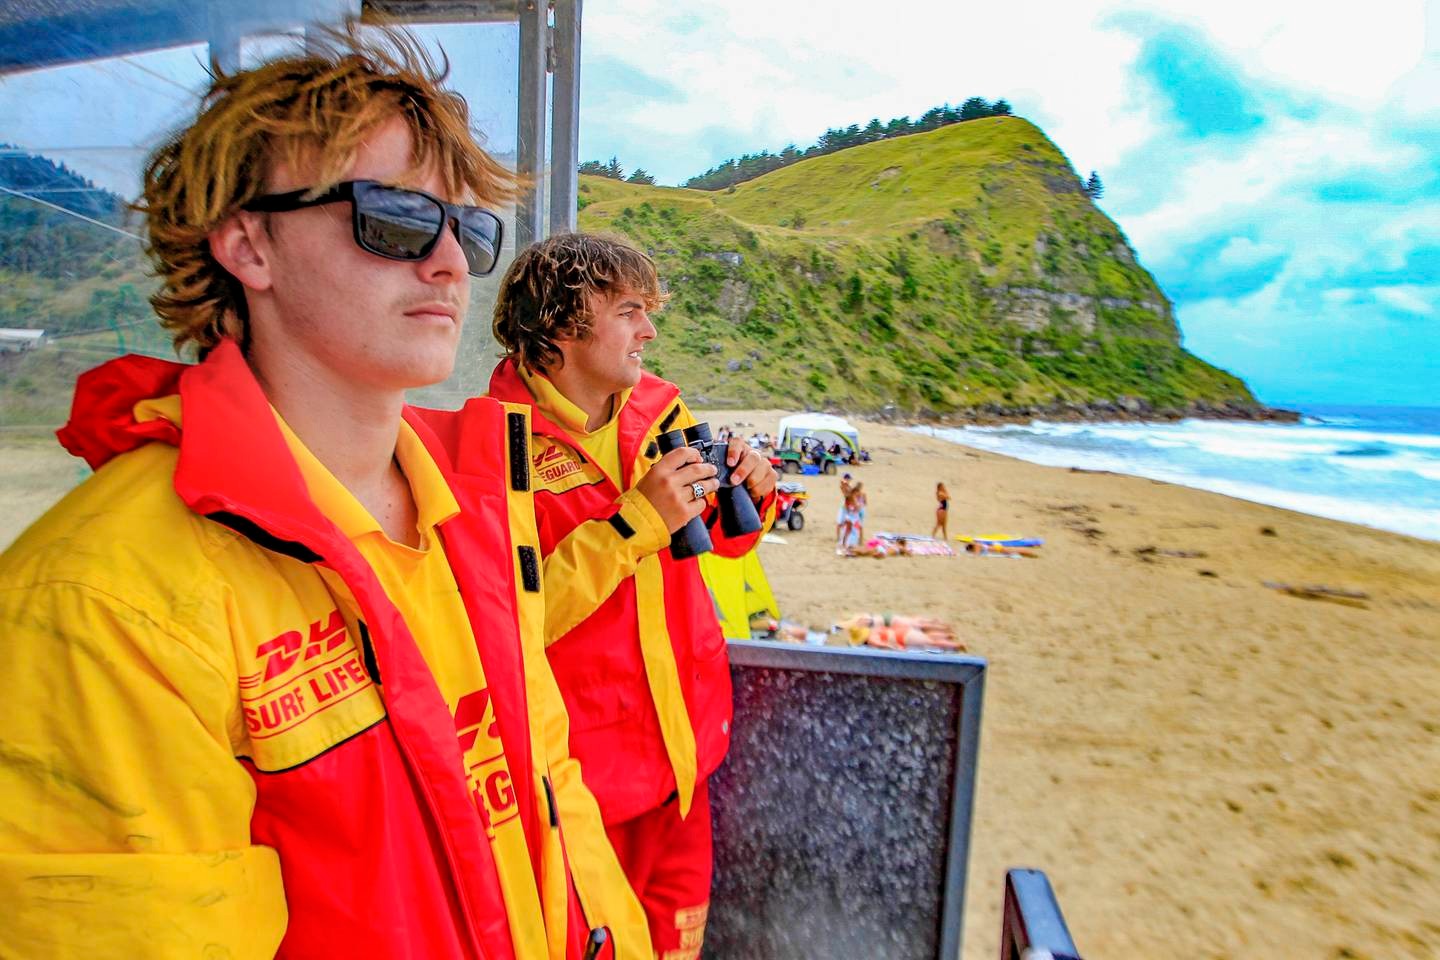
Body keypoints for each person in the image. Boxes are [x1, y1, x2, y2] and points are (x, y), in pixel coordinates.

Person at [0, 27, 648, 960]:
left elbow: (552, 799)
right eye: (393, 216)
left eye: (466, 229)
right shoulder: (103, 607)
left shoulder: (470, 510)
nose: (450, 264)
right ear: (248, 245)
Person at [466, 232, 778, 958]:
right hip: (580, 796)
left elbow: (721, 542)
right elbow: (507, 625)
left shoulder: (662, 411)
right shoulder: (494, 448)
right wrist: (633, 523)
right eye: (630, 310)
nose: (651, 330)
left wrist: (753, 492)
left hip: (685, 768)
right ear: (559, 326)